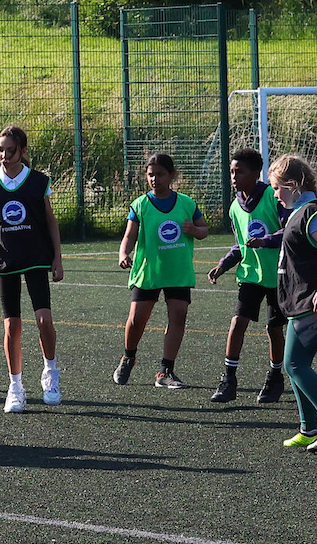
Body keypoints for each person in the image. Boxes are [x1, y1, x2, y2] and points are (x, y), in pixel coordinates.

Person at [0, 125, 63, 412]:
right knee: (12, 325)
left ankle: (50, 372)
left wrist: (58, 257)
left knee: (43, 319)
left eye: (11, 150)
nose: (4, 155)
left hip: (36, 256)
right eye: (0, 150)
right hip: (5, 258)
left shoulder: (38, 182)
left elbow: (51, 221)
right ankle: (15, 386)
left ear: (23, 151)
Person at [262, 153, 317, 450]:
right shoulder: (298, 213)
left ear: (294, 184)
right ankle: (308, 428)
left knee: (295, 363)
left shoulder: (314, 212)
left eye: (277, 187)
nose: (275, 195)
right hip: (301, 301)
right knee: (296, 364)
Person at [116, 152, 212, 388]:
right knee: (137, 319)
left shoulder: (187, 203)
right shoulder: (140, 205)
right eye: (150, 175)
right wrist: (123, 253)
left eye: (160, 174)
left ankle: (165, 371)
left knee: (178, 316)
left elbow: (204, 231)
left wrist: (193, 229)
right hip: (149, 272)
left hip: (177, 272)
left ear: (171, 175)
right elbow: (130, 235)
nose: (154, 179)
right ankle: (128, 356)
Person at [204, 147, 289, 405]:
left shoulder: (273, 198)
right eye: (231, 171)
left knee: (274, 329)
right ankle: (229, 380)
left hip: (278, 276)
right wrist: (223, 265)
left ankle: (275, 377)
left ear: (256, 173)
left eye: (239, 171)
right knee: (237, 323)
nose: (233, 176)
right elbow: (240, 244)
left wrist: (265, 241)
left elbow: (289, 231)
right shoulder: (234, 208)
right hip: (250, 275)